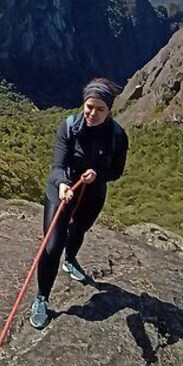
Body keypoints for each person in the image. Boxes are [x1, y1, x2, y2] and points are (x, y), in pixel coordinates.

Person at [29, 78, 129, 330]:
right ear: (83, 104)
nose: (93, 114)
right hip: (61, 192)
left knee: (79, 230)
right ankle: (42, 298)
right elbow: (57, 167)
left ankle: (70, 260)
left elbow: (116, 171)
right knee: (52, 245)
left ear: (109, 110)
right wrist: (63, 184)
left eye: (100, 109)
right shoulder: (69, 127)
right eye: (89, 107)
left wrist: (98, 174)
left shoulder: (117, 136)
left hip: (93, 194)